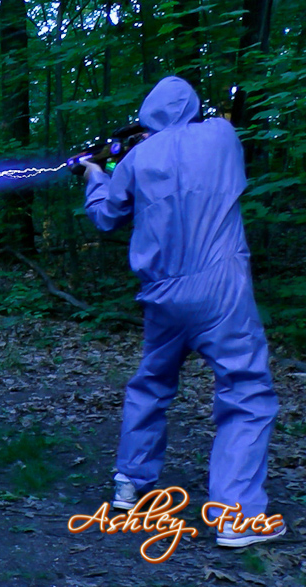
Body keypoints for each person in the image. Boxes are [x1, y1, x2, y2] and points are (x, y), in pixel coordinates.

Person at [81, 76, 284, 548]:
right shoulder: (221, 135)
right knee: (246, 390)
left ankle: (130, 482)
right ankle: (237, 516)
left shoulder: (136, 159)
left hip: (163, 293)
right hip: (221, 289)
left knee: (152, 383)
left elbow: (106, 217)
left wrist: (95, 178)